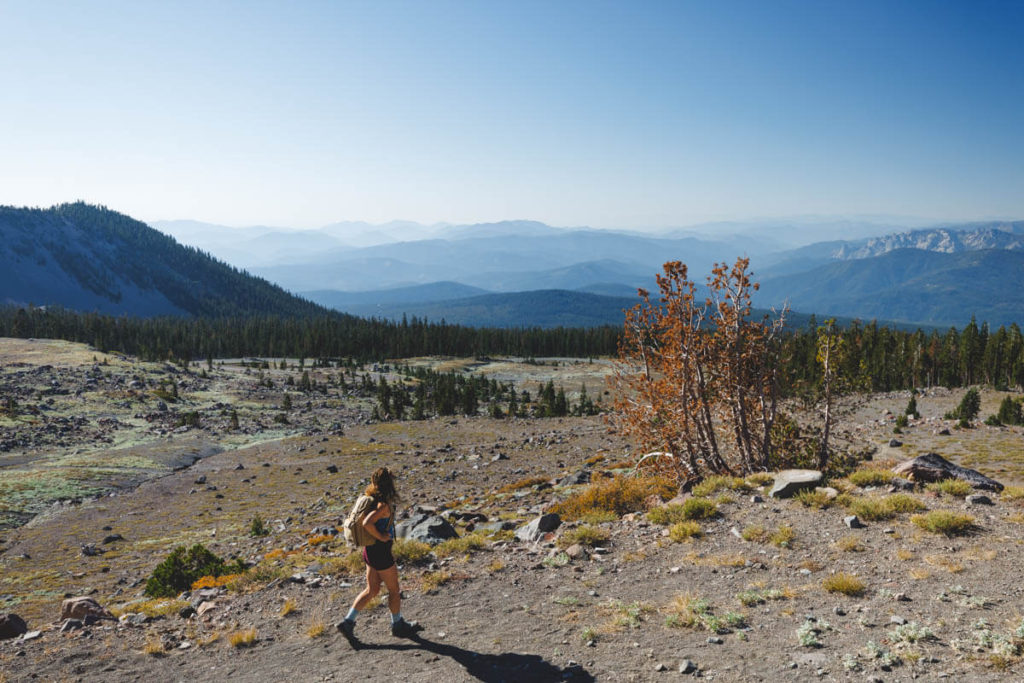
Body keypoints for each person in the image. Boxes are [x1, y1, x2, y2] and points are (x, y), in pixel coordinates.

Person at [337, 466, 422, 640]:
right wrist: (382, 536)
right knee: (394, 590)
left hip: (369, 551)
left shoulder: (372, 499)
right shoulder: (383, 505)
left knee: (372, 589)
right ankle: (397, 625)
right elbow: (367, 523)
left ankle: (348, 622)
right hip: (381, 552)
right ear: (389, 483)